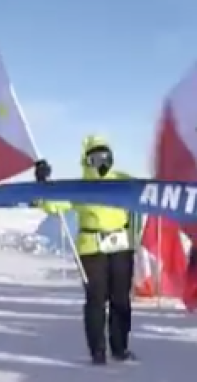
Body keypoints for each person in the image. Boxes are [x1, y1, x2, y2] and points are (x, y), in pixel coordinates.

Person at [35, 135, 139, 364]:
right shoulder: (79, 187)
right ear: (86, 160)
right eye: (95, 158)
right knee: (96, 300)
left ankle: (120, 348)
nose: (101, 163)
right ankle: (98, 351)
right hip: (92, 249)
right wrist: (42, 184)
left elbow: (146, 195)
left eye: (105, 157)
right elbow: (53, 204)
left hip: (121, 246)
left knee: (121, 299)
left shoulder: (123, 181)